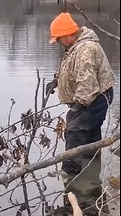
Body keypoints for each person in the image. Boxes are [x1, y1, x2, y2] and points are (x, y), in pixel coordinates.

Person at [46, 12, 115, 175]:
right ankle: (92, 163)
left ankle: (70, 170)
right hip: (93, 95)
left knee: (73, 129)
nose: (58, 43)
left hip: (96, 97)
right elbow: (70, 68)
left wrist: (77, 106)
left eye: (59, 39)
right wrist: (56, 81)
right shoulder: (74, 47)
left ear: (68, 34)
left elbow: (87, 83)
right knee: (90, 130)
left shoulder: (86, 49)